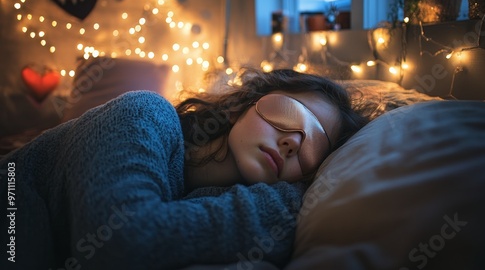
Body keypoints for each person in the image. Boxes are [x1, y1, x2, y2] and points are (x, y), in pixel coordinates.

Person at [0, 68, 369, 270]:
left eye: (315, 147)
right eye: (290, 114)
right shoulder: (145, 113)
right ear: (243, 104)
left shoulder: (210, 198)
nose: (293, 142)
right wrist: (283, 203)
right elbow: (120, 244)